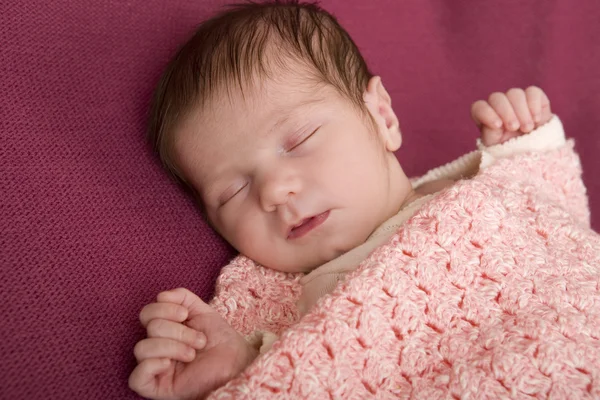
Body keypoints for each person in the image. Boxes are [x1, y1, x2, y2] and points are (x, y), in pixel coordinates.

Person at [129, 2, 564, 399]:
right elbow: (315, 376)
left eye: (299, 140)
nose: (275, 191)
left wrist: (524, 151)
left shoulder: (480, 188)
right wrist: (237, 369)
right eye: (233, 192)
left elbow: (557, 233)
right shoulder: (280, 311)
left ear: (382, 116)